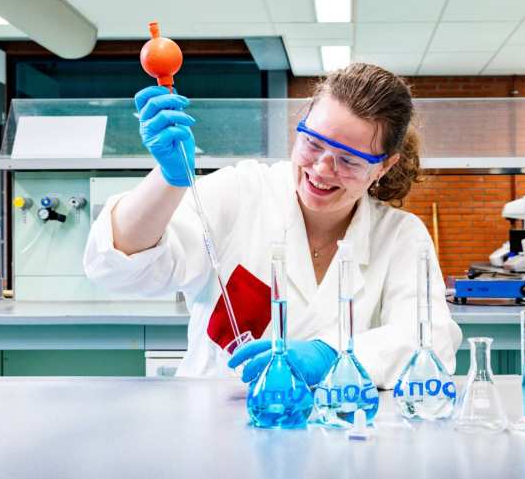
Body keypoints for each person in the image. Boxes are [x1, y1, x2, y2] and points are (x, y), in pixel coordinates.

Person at [84, 63, 461, 388]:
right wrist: (167, 179)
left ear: (384, 166)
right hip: (216, 433)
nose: (321, 169)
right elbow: (117, 269)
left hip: (342, 436)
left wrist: (329, 355)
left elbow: (432, 341)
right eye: (313, 143)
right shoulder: (240, 191)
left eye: (348, 160)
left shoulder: (398, 236)